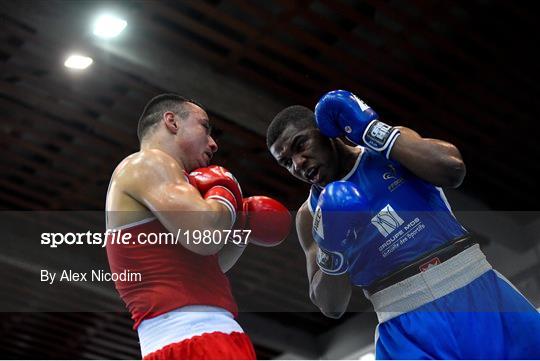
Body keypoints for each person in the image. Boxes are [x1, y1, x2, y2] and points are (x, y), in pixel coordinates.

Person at [266, 90, 540, 359]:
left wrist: (372, 131)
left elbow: (452, 168)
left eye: (301, 145)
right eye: (286, 162)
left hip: (478, 291)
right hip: (405, 325)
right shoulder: (310, 215)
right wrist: (331, 247)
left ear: (326, 130)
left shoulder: (388, 149)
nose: (298, 164)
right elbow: (330, 305)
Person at [105, 93, 291, 360]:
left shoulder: (171, 186)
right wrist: (223, 188)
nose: (213, 144)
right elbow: (206, 238)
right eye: (205, 127)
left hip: (182, 339)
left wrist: (241, 228)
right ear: (172, 122)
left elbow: (209, 264)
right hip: (198, 339)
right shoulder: (148, 162)